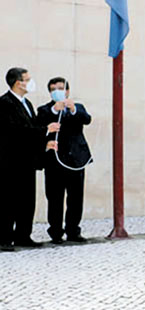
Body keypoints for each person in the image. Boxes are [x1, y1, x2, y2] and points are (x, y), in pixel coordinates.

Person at [0, 67, 60, 250]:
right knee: (9, 201)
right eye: (28, 79)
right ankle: (4, 238)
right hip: (10, 161)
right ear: (18, 82)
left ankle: (23, 235)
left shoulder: (27, 104)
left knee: (27, 200)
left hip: (27, 161)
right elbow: (15, 132)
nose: (30, 82)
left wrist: (45, 144)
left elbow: (31, 130)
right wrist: (46, 130)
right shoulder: (4, 103)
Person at [35, 77, 92, 244]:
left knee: (76, 198)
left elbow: (87, 119)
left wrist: (73, 108)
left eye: (61, 88)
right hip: (54, 161)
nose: (57, 91)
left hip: (76, 160)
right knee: (54, 198)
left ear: (67, 91)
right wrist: (54, 110)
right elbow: (39, 126)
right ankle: (56, 232)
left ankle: (73, 231)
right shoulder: (44, 110)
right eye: (54, 89)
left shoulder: (78, 107)